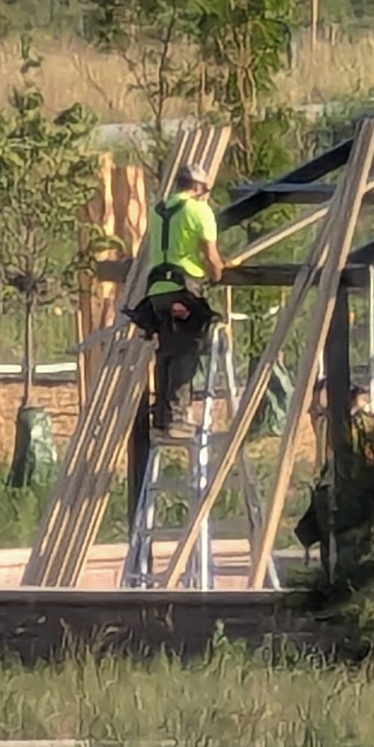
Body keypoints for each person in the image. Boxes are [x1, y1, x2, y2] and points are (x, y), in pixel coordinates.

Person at [124, 173, 222, 526]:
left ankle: (163, 416)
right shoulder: (198, 211)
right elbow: (211, 257)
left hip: (156, 291)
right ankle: (177, 418)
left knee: (166, 348)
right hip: (184, 287)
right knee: (187, 348)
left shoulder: (158, 210)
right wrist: (218, 273)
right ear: (197, 187)